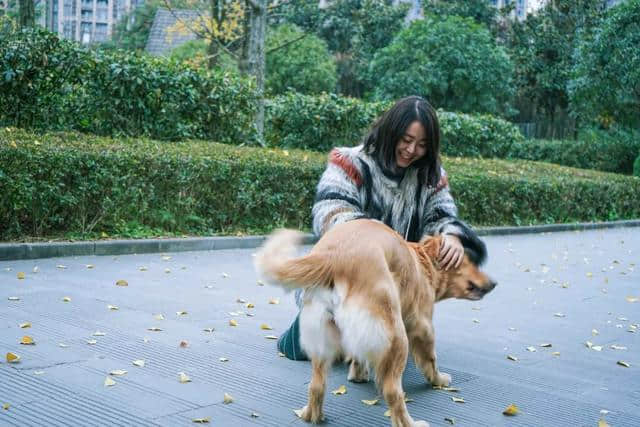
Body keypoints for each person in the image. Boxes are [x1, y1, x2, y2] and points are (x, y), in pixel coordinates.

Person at [277, 95, 481, 360]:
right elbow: (330, 211)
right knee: (320, 350)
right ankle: (311, 327)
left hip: (395, 282)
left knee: (383, 350)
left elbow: (442, 214)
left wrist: (451, 236)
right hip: (344, 276)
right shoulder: (349, 162)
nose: (411, 150)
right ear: (390, 132)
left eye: (421, 145)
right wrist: (377, 244)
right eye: (406, 140)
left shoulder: (430, 175)